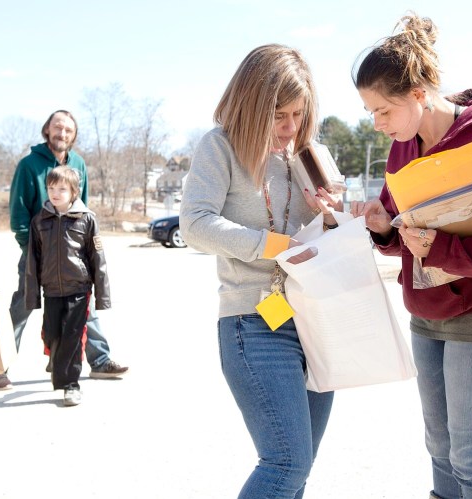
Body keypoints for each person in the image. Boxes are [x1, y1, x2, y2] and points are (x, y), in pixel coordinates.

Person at [349, 15, 472, 499]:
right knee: (440, 448)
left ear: (418, 94)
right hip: (427, 314)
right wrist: (383, 229)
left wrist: (444, 248)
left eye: (383, 111)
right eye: (370, 112)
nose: (377, 124)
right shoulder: (401, 150)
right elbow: (405, 234)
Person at [179, 44, 341, 498]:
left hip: (315, 321)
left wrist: (330, 217)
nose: (291, 129)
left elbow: (338, 237)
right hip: (255, 322)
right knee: (285, 462)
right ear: (252, 105)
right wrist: (273, 246)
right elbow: (194, 223)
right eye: (279, 116)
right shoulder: (220, 147)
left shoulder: (312, 154)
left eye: (298, 115)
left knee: (298, 468)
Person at [0, 109, 127, 390]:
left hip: (73, 253)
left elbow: (82, 208)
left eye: (68, 130)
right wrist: (33, 249)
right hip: (38, 251)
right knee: (24, 304)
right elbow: (18, 214)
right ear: (47, 130)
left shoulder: (79, 164)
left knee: (84, 305)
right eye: (57, 127)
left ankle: (99, 361)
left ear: (73, 135)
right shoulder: (29, 165)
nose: (62, 133)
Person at [24, 167, 110, 407]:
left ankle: (71, 385)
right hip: (51, 290)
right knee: (51, 333)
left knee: (72, 338)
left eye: (62, 188)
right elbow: (33, 260)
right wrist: (32, 296)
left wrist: (102, 295)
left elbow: (98, 258)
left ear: (74, 192)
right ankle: (55, 356)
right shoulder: (39, 220)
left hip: (79, 290)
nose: (55, 193)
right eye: (51, 188)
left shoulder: (87, 219)